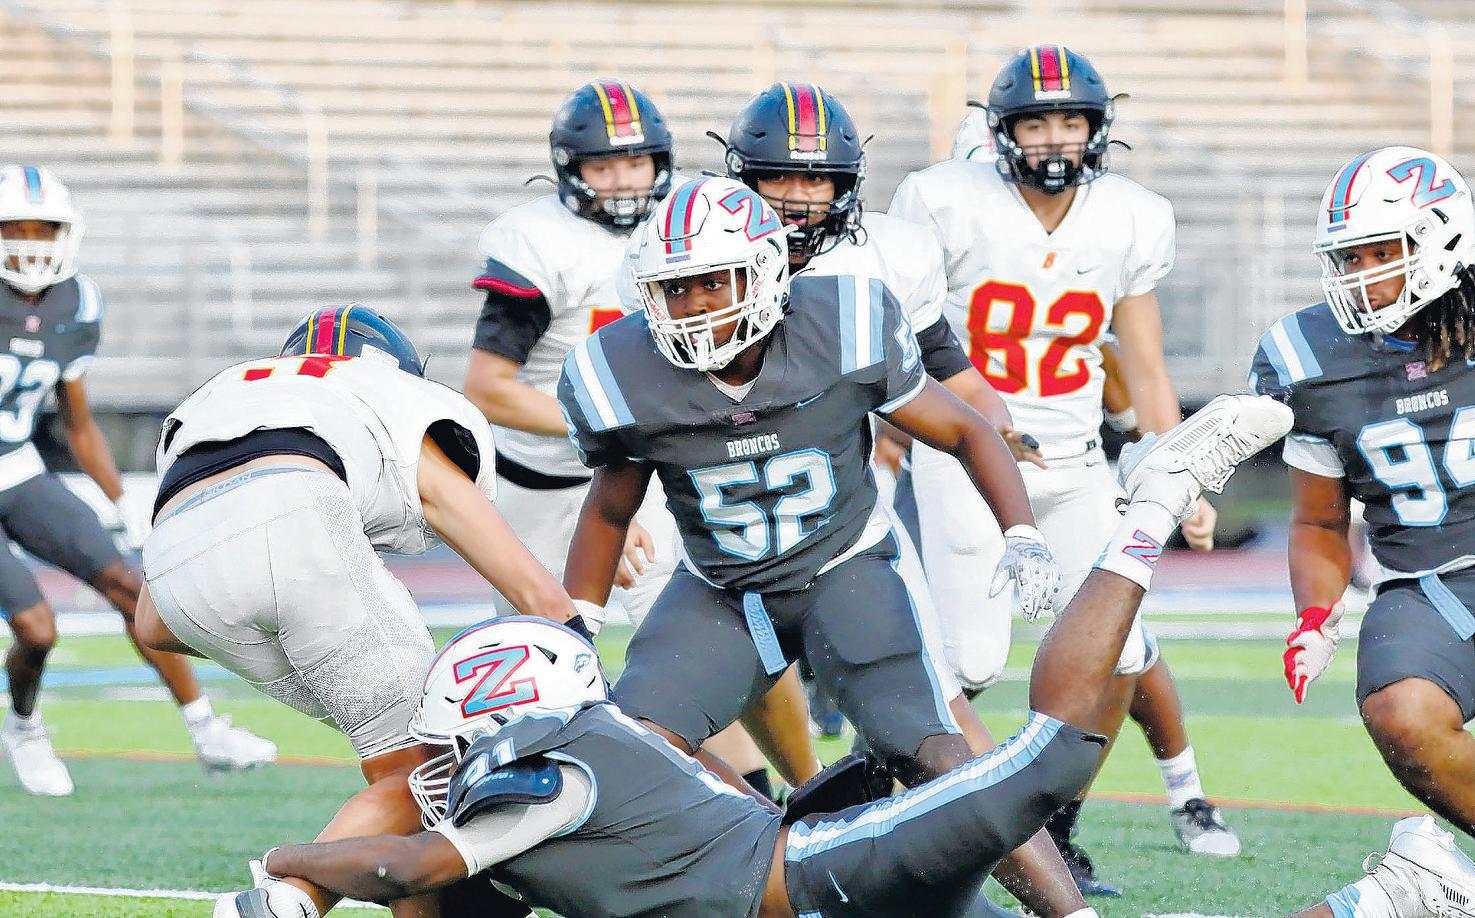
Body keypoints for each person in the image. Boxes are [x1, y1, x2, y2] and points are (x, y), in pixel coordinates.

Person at [220, 394, 1302, 918]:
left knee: (1040, 763)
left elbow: (407, 869)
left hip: (824, 876)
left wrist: (285, 870)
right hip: (806, 879)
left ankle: (1146, 509)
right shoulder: (592, 750)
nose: (451, 758)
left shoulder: (546, 780)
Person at [561, 174, 1081, 916]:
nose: (695, 305)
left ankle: (1070, 914)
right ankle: (786, 857)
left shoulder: (844, 325)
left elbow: (965, 429)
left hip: (845, 569)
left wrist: (1021, 532)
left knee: (938, 756)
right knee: (629, 750)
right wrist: (576, 624)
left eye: (712, 282)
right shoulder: (621, 373)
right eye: (675, 288)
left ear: (765, 273)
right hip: (722, 590)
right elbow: (609, 509)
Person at [721, 80, 1086, 911]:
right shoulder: (698, 248)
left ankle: (1064, 908)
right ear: (741, 178)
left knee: (942, 729)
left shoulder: (884, 258)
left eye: (816, 179)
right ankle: (790, 831)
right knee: (646, 728)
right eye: (778, 177)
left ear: (849, 184)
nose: (797, 198)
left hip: (844, 525)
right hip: (717, 529)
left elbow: (944, 370)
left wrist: (996, 430)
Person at [889, 45, 1236, 890]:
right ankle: (909, 811)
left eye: (1069, 121)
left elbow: (1143, 363)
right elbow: (904, 341)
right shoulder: (942, 201)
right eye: (1036, 122)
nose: (1053, 138)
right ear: (1000, 131)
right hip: (967, 457)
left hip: (1077, 464)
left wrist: (1181, 470)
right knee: (971, 662)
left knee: (1116, 651)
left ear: (1096, 128)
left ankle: (1053, 831)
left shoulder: (1130, 215)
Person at [134, 306, 578, 918]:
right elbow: (534, 591)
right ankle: (292, 897)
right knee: (424, 771)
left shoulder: (220, 397)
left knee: (408, 761)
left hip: (183, 583)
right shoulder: (387, 395)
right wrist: (583, 662)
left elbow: (152, 624)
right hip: (300, 513)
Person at [463, 78, 798, 797]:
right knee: (539, 674)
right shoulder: (540, 242)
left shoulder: (679, 232)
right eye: (604, 165)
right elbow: (488, 388)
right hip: (537, 487)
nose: (622, 181)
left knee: (699, 652)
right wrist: (606, 431)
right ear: (570, 168)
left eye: (636, 162)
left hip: (643, 473)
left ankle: (774, 806)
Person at [0, 164, 273, 797]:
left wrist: (124, 499)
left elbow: (78, 422)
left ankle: (206, 730)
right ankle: (25, 726)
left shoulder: (77, 303)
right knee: (38, 628)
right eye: (17, 228)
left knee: (132, 586)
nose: (31, 244)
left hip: (17, 467)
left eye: (44, 230)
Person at [1252, 147, 1475, 842]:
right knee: (1400, 713)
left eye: (1381, 254)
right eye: (1349, 259)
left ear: (1441, 241)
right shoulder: (1309, 358)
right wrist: (1315, 616)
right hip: (1428, 582)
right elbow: (1320, 521)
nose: (1360, 277)